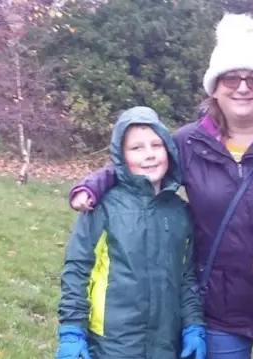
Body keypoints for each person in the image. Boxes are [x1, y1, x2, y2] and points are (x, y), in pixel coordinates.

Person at [65, 13, 253, 359]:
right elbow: (141, 165)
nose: (243, 87)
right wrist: (94, 185)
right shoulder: (188, 143)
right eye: (231, 77)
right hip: (220, 308)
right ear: (214, 87)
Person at [55, 106, 206, 359]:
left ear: (168, 150)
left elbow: (187, 277)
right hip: (111, 345)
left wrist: (193, 324)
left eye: (156, 145)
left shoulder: (181, 213)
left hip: (165, 345)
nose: (149, 155)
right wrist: (72, 329)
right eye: (137, 148)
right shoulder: (102, 207)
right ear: (122, 156)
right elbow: (77, 268)